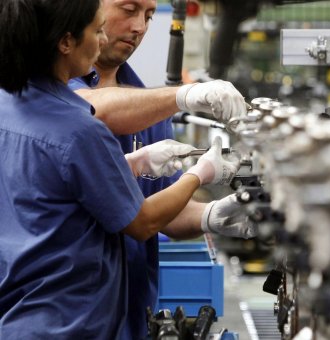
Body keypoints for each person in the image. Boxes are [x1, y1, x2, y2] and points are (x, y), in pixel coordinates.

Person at [0, 0, 237, 337]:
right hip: (70, 321)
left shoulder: (9, 107)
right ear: (66, 41)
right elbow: (141, 222)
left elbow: (54, 192)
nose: (101, 41)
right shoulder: (78, 126)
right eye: (97, 30)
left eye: (150, 17)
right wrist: (200, 173)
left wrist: (208, 214)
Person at [68, 0, 257, 338]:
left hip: (130, 315)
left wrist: (209, 215)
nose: (139, 27)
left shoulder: (149, 106)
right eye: (129, 10)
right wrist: (184, 96)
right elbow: (92, 108)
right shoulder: (52, 88)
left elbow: (161, 211)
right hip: (68, 314)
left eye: (149, 16)